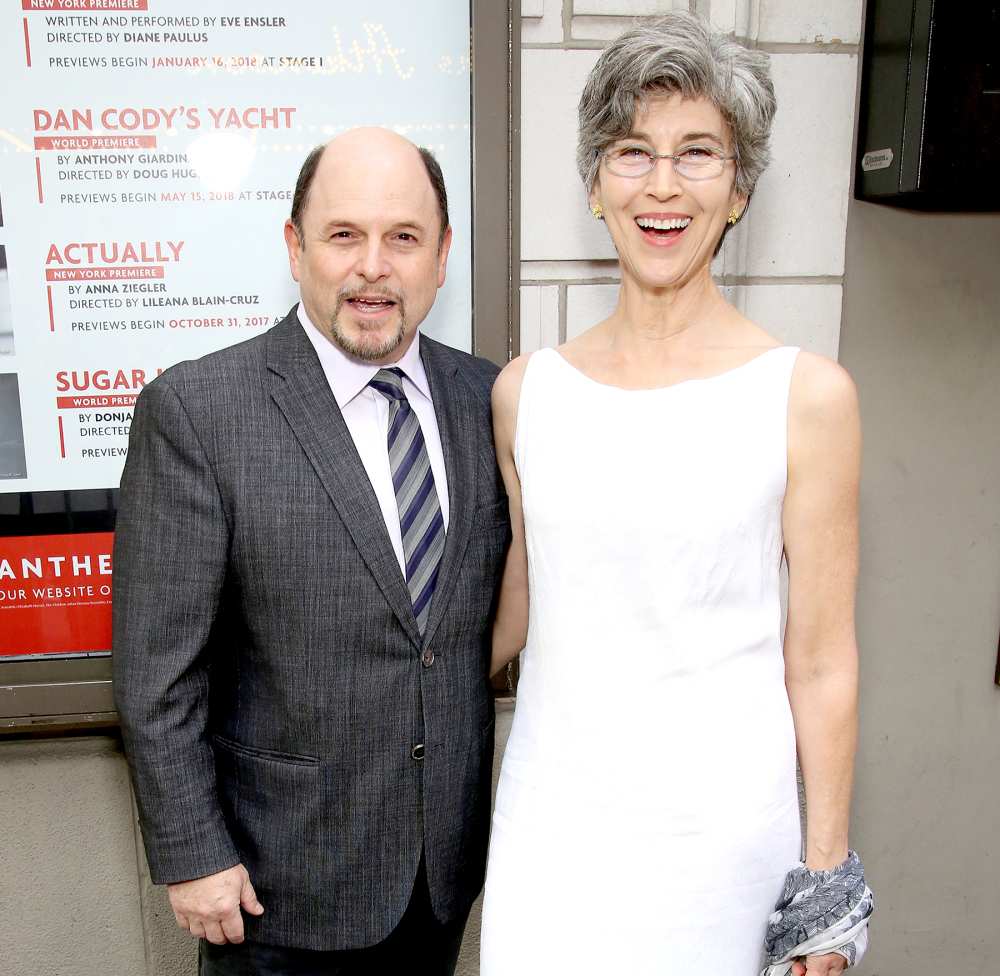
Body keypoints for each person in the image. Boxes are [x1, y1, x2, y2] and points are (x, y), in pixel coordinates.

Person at [481, 14, 868, 976]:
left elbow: (821, 661)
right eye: (632, 152)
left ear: (739, 191)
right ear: (593, 184)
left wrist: (826, 889)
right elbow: (516, 609)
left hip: (725, 855)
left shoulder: (807, 395)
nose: (662, 186)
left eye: (698, 154)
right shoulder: (526, 393)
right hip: (554, 838)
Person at [113, 128, 509, 976]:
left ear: (442, 256)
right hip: (272, 889)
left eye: (403, 237)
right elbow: (158, 671)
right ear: (295, 248)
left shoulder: (491, 398)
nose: (374, 266)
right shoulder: (200, 411)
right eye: (343, 236)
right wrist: (191, 852)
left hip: (441, 878)